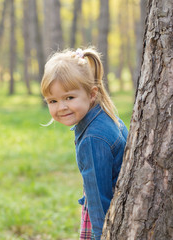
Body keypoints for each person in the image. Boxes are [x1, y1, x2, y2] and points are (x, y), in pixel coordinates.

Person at [40, 47, 128, 239]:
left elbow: (98, 199)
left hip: (104, 220)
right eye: (52, 101)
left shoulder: (92, 139)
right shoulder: (104, 115)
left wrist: (101, 236)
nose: (61, 107)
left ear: (91, 94)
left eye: (69, 98)